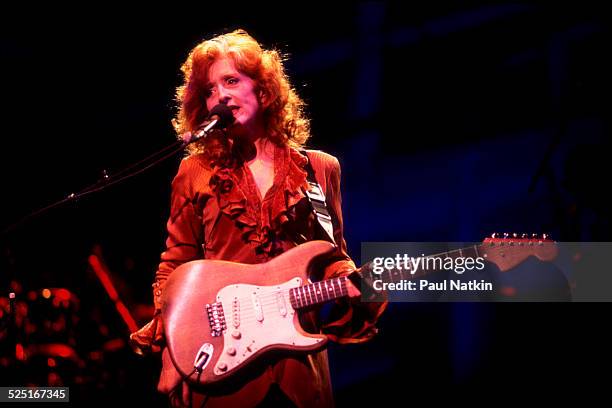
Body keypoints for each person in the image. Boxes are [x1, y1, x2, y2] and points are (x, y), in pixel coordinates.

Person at [129, 29, 386, 407]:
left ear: (263, 91)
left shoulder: (319, 169)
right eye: (210, 90)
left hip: (298, 364)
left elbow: (332, 256)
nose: (220, 96)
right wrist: (176, 349)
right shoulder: (194, 171)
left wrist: (355, 286)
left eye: (231, 81)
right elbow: (174, 266)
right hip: (220, 361)